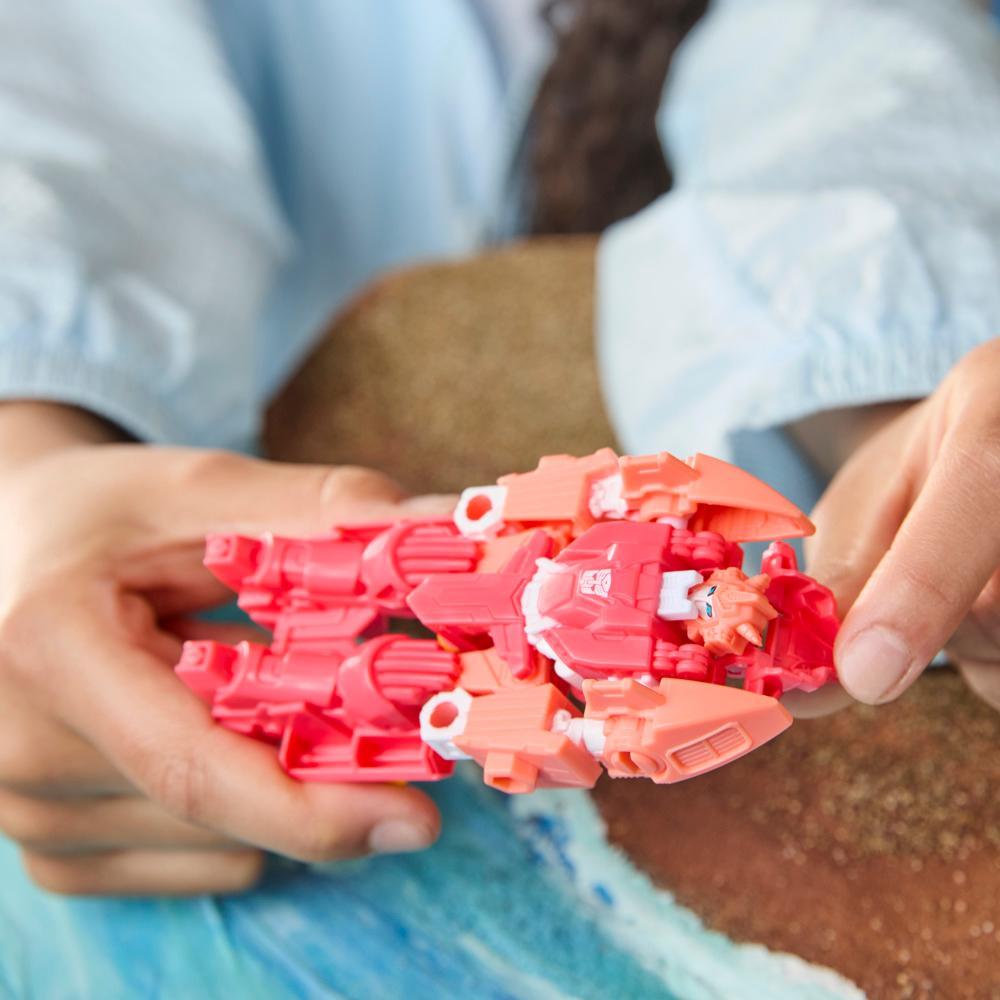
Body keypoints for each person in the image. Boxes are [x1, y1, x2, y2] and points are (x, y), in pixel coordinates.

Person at [0, 0, 997, 902]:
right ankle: (254, 624)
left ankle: (262, 671)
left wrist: (900, 427)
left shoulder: (690, 640)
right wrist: (29, 465)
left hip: (509, 653)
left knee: (381, 684)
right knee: (353, 583)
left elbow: (848, 77)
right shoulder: (676, 557)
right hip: (407, 555)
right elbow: (56, 93)